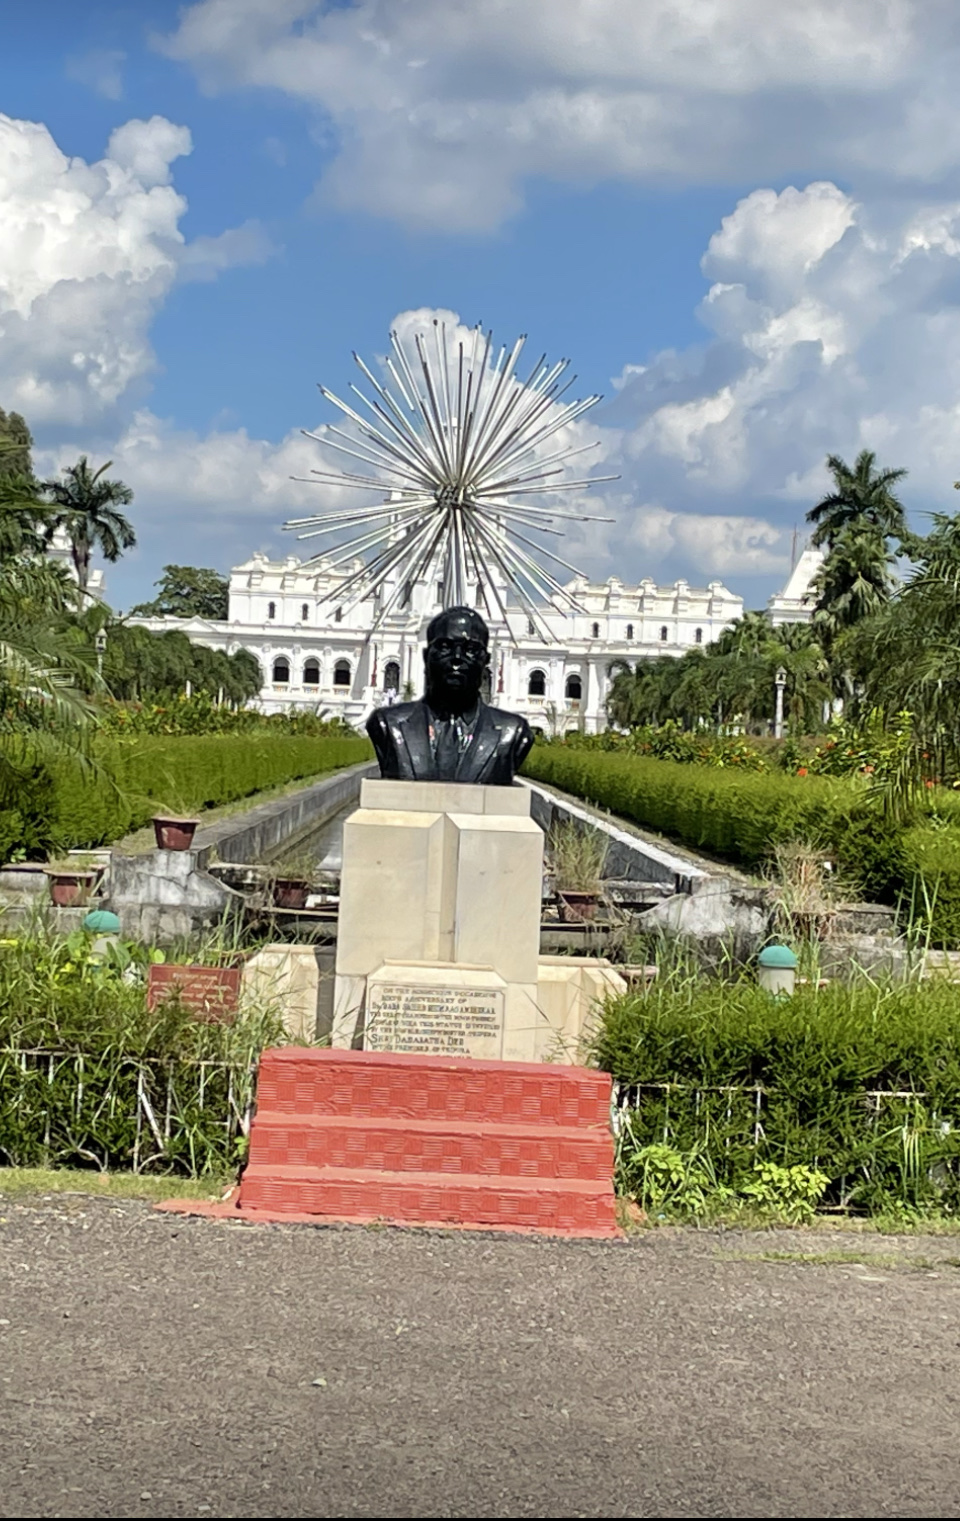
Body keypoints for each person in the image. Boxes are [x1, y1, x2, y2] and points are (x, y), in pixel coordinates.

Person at [366, 607, 533, 785]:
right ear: (426, 656)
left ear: (486, 660)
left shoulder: (514, 731)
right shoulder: (387, 724)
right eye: (445, 647)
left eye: (470, 649)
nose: (457, 657)